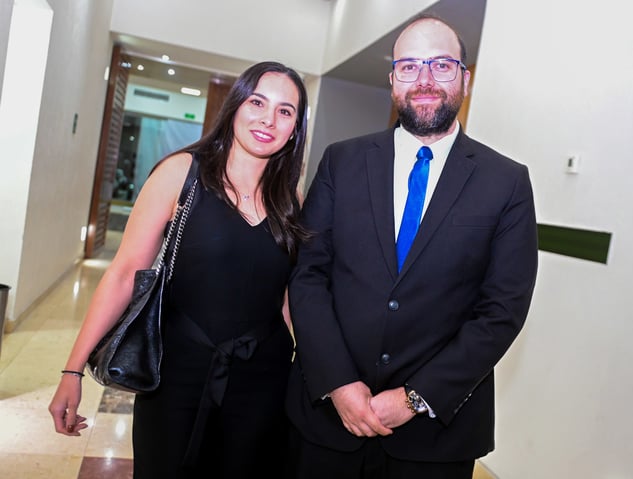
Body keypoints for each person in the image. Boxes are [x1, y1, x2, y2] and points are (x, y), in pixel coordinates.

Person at [285, 14, 538, 479]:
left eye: (441, 65)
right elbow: (308, 277)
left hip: (436, 437)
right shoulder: (341, 161)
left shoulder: (507, 182)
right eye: (409, 66)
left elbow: (502, 310)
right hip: (327, 422)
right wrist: (339, 383)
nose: (424, 81)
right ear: (392, 78)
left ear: (464, 77)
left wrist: (413, 397)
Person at [49, 61, 309, 478]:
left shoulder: (290, 197)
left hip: (263, 378)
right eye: (257, 102)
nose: (268, 118)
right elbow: (124, 273)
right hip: (176, 372)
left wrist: (316, 369)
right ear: (236, 105)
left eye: (285, 111)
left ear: (295, 127)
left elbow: (285, 297)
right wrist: (72, 370)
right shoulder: (182, 174)